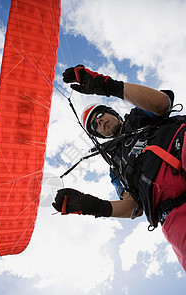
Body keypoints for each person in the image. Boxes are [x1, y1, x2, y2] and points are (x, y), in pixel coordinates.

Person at [52, 65, 186, 271]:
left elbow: (162, 103)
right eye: (95, 126)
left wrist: (108, 86)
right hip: (172, 212)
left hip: (180, 148)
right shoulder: (115, 170)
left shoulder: (137, 117)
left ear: (112, 113)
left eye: (100, 115)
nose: (99, 122)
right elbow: (134, 207)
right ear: (98, 136)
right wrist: (93, 207)